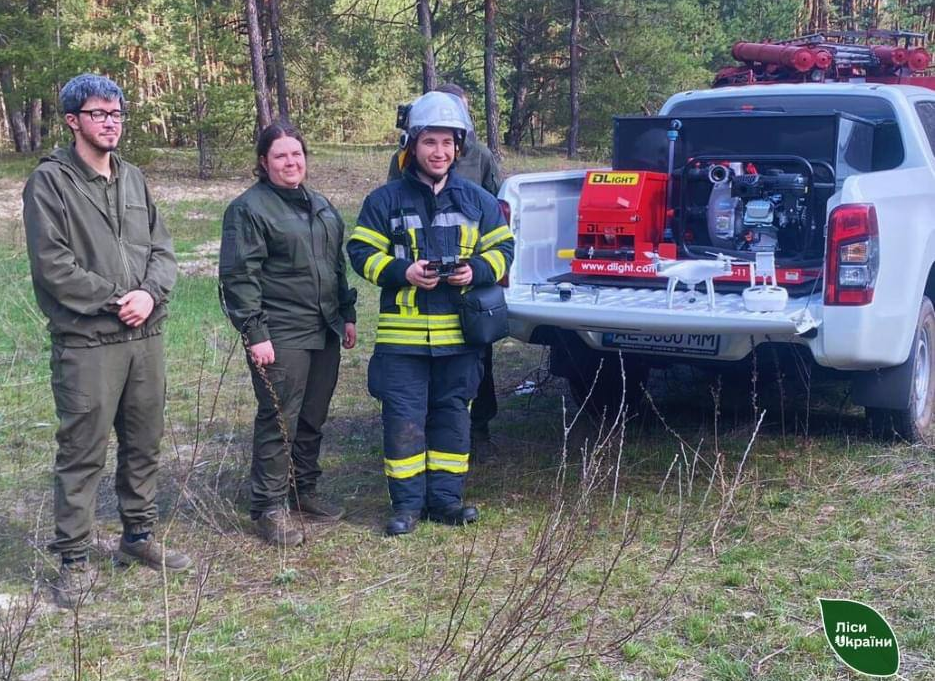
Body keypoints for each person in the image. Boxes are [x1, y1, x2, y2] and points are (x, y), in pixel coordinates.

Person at [22, 73, 191, 608]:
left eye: (117, 113)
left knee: (144, 441)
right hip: (88, 343)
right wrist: (121, 299)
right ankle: (73, 557)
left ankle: (137, 537)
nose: (111, 122)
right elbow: (53, 267)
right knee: (82, 450)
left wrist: (149, 294)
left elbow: (163, 251)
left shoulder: (134, 178)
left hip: (146, 338)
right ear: (73, 120)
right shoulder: (49, 183)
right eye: (99, 114)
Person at [349, 91, 514, 536]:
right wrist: (403, 271)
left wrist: (475, 271)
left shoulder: (477, 200)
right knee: (402, 421)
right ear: (412, 145)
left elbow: (504, 248)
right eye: (429, 143)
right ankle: (406, 506)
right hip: (402, 343)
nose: (439, 152)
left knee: (452, 418)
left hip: (459, 339)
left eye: (447, 143)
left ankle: (445, 501)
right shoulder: (384, 201)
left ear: (458, 147)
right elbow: (360, 251)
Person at [220, 122, 358, 547]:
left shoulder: (320, 204)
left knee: (313, 415)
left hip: (325, 328)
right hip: (280, 332)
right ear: (264, 162)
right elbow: (240, 277)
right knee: (280, 418)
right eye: (280, 156)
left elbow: (336, 265)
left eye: (296, 154)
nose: (290, 162)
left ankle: (304, 490)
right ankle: (268, 507)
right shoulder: (249, 210)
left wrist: (347, 312)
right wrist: (255, 331)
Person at [389, 85, 503, 446]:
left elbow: (498, 210)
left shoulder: (480, 155)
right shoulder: (406, 157)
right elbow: (396, 207)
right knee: (423, 367)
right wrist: (405, 264)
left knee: (476, 354)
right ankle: (427, 427)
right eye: (431, 139)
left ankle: (479, 425)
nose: (440, 150)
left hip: (467, 282)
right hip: (420, 282)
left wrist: (482, 267)